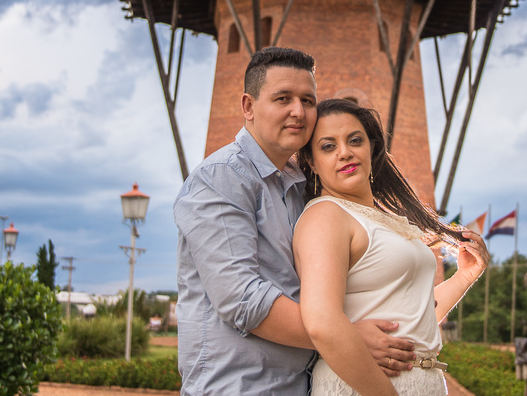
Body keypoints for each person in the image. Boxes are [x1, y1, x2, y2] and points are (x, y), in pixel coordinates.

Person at [174, 48, 417, 396]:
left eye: (308, 99)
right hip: (238, 387)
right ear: (248, 106)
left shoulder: (303, 186)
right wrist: (344, 334)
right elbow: (241, 298)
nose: (298, 112)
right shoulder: (221, 179)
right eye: (283, 98)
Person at [293, 98, 489, 396]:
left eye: (355, 140)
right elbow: (322, 322)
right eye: (328, 146)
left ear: (371, 148)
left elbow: (413, 318)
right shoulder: (326, 215)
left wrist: (464, 277)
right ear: (311, 162)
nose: (345, 153)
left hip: (420, 381)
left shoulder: (388, 220)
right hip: (365, 385)